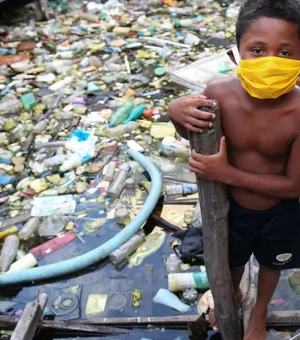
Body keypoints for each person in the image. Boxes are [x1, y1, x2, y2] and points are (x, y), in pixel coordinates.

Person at [167, 0, 300, 339]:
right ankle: (233, 295)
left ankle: (260, 312)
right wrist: (176, 113)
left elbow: (293, 186)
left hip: (280, 211)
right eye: (257, 49)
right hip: (231, 210)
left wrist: (227, 174)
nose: (270, 61)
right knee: (231, 262)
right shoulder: (218, 94)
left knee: (273, 265)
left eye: (285, 53)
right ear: (235, 54)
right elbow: (197, 134)